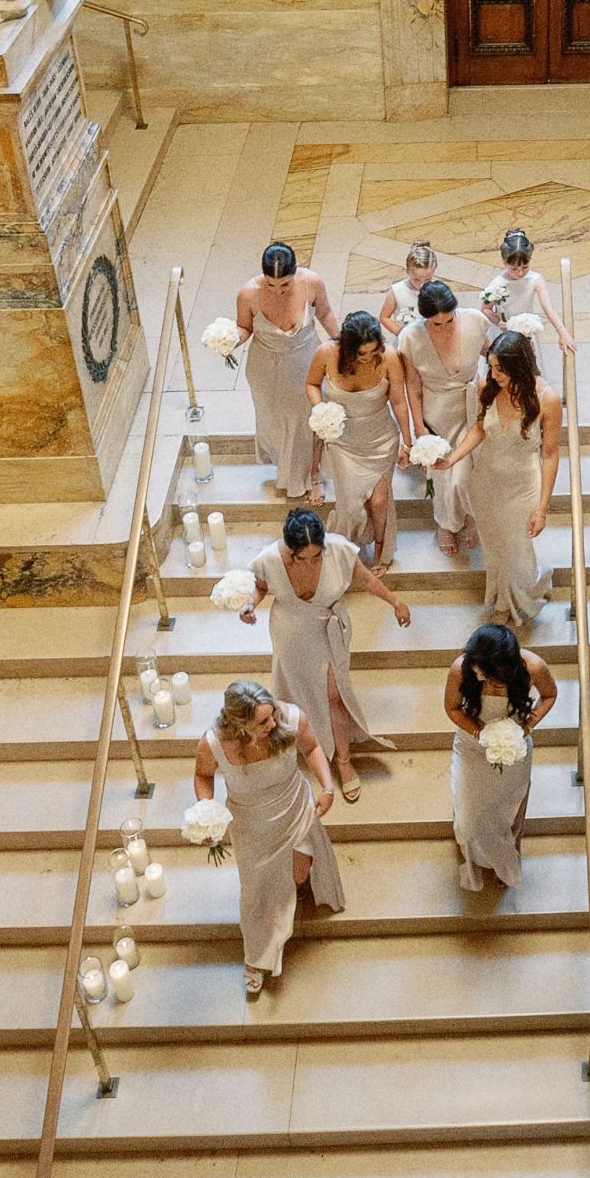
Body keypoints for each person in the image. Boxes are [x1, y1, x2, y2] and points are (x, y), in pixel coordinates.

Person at [241, 507, 411, 804]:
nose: (311, 562)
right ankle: (309, 744)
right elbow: (261, 588)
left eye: (317, 556)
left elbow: (367, 581)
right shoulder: (269, 559)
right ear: (289, 550)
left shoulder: (340, 550)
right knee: (295, 691)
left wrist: (396, 602)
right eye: (302, 558)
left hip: (328, 631)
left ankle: (343, 760)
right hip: (291, 633)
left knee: (335, 695)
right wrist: (250, 605)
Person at [193, 676, 342, 995]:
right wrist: (206, 812)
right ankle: (256, 957)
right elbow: (203, 776)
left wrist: (327, 787)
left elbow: (312, 747)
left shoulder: (291, 718)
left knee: (298, 873)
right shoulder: (213, 743)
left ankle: (297, 890)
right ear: (239, 724)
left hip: (293, 807)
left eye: (272, 713)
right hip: (251, 825)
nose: (273, 723)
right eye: (263, 722)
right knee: (256, 894)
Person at [445, 331, 562, 630]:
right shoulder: (487, 386)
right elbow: (479, 428)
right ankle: (501, 602)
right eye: (492, 367)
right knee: (495, 547)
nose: (494, 374)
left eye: (501, 369)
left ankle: (529, 588)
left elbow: (550, 454)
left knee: (518, 551)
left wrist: (542, 508)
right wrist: (453, 458)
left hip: (522, 487)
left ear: (519, 366)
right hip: (486, 482)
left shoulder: (547, 399)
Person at [445, 621, 558, 892]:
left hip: (513, 747)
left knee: (510, 808)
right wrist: (479, 732)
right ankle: (475, 850)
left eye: (489, 674)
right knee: (469, 813)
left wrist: (525, 728)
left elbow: (550, 694)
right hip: (473, 746)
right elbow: (452, 708)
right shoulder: (462, 669)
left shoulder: (533, 667)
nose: (481, 677)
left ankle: (507, 854)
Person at [306, 310, 413, 573]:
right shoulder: (326, 353)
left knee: (378, 502)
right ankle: (345, 549)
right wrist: (321, 410)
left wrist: (407, 443)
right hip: (343, 442)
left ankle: (381, 552)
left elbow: (399, 402)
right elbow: (311, 384)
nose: (368, 357)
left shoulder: (389, 357)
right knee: (351, 507)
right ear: (347, 347)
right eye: (361, 353)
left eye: (373, 350)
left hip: (380, 440)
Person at [236, 241, 338, 503]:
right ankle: (287, 469)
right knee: (277, 420)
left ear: (295, 272)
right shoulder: (248, 293)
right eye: (271, 285)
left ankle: (313, 475)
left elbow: (325, 313)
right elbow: (244, 327)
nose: (279, 291)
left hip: (305, 361)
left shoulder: (312, 282)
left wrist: (341, 343)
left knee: (307, 418)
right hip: (265, 368)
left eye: (285, 284)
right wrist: (229, 341)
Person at [397, 280, 489, 556]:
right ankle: (446, 523)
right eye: (436, 324)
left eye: (449, 321)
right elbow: (412, 385)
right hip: (436, 411)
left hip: (471, 405)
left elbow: (490, 352)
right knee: (442, 474)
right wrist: (419, 428)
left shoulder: (474, 321)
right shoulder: (411, 337)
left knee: (466, 472)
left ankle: (471, 516)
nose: (444, 327)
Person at [480, 226, 575, 353]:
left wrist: (562, 332)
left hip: (526, 329)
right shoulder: (498, 283)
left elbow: (548, 308)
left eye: (525, 267)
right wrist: (498, 322)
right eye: (514, 268)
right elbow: (485, 309)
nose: (520, 273)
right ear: (504, 262)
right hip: (504, 333)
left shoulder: (535, 279)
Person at [379, 239, 439, 339]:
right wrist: (401, 334)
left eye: (427, 279)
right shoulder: (397, 291)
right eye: (416, 279)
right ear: (407, 271)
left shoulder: (437, 289)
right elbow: (384, 317)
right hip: (406, 340)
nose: (421, 285)